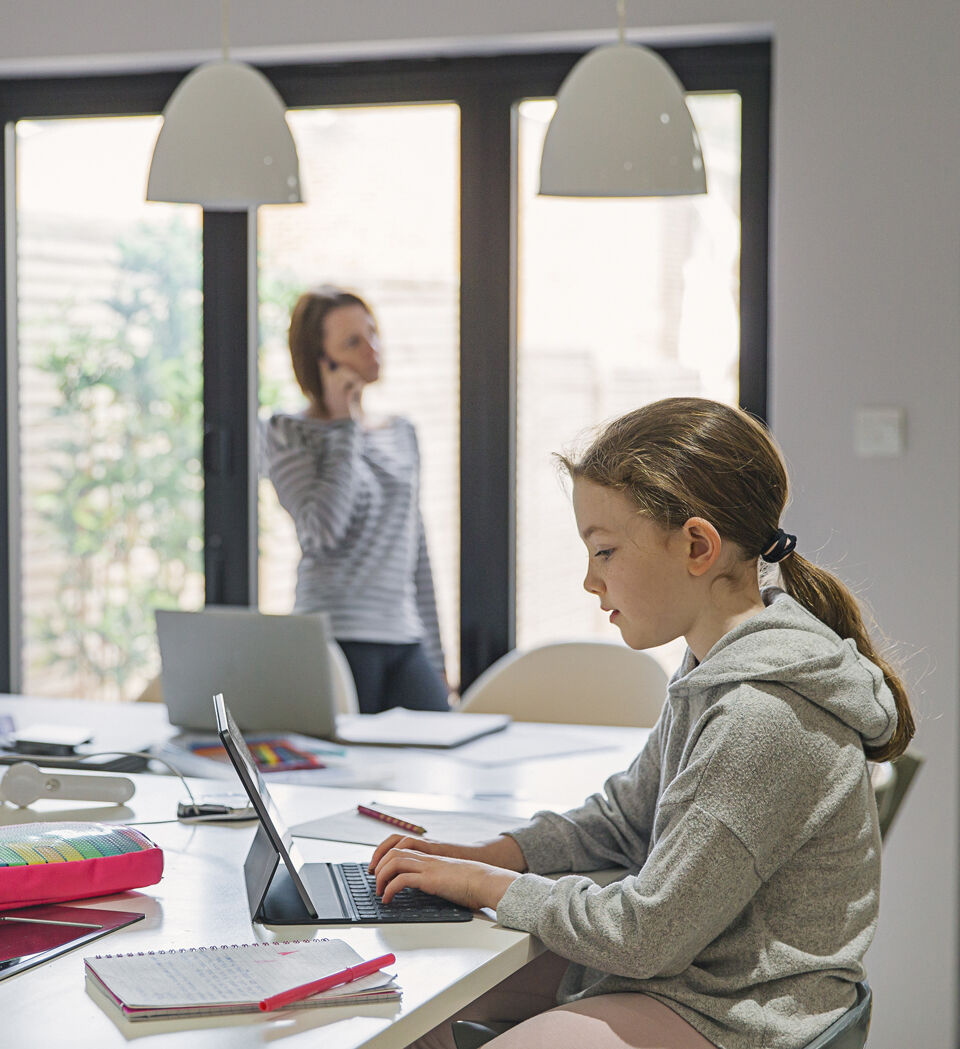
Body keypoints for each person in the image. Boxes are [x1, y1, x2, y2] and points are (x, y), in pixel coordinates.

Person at [369, 396, 915, 1049]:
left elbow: (645, 934)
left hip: (740, 1013)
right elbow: (625, 818)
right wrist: (492, 855)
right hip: (692, 977)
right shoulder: (714, 667)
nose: (589, 580)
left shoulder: (762, 715)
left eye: (604, 551)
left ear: (697, 546)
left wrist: (490, 885)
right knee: (411, 1010)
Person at [262, 285, 448, 715]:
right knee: (346, 756)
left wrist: (437, 657)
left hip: (402, 634)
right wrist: (344, 427)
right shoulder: (287, 431)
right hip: (334, 638)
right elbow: (322, 531)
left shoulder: (401, 431)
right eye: (352, 342)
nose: (372, 348)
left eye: (372, 333)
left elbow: (415, 548)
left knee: (441, 738)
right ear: (320, 360)